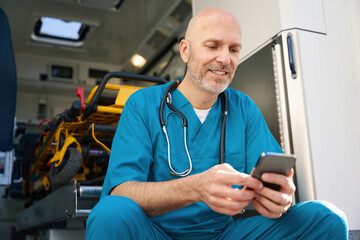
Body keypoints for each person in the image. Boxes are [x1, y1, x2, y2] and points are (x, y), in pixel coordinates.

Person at [86, 7, 348, 240]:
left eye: (234, 49)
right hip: (154, 233)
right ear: (185, 51)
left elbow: (277, 182)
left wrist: (281, 198)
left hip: (222, 234)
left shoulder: (243, 109)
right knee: (110, 213)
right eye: (213, 46)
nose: (225, 59)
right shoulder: (143, 104)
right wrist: (196, 188)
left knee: (326, 219)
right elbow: (122, 191)